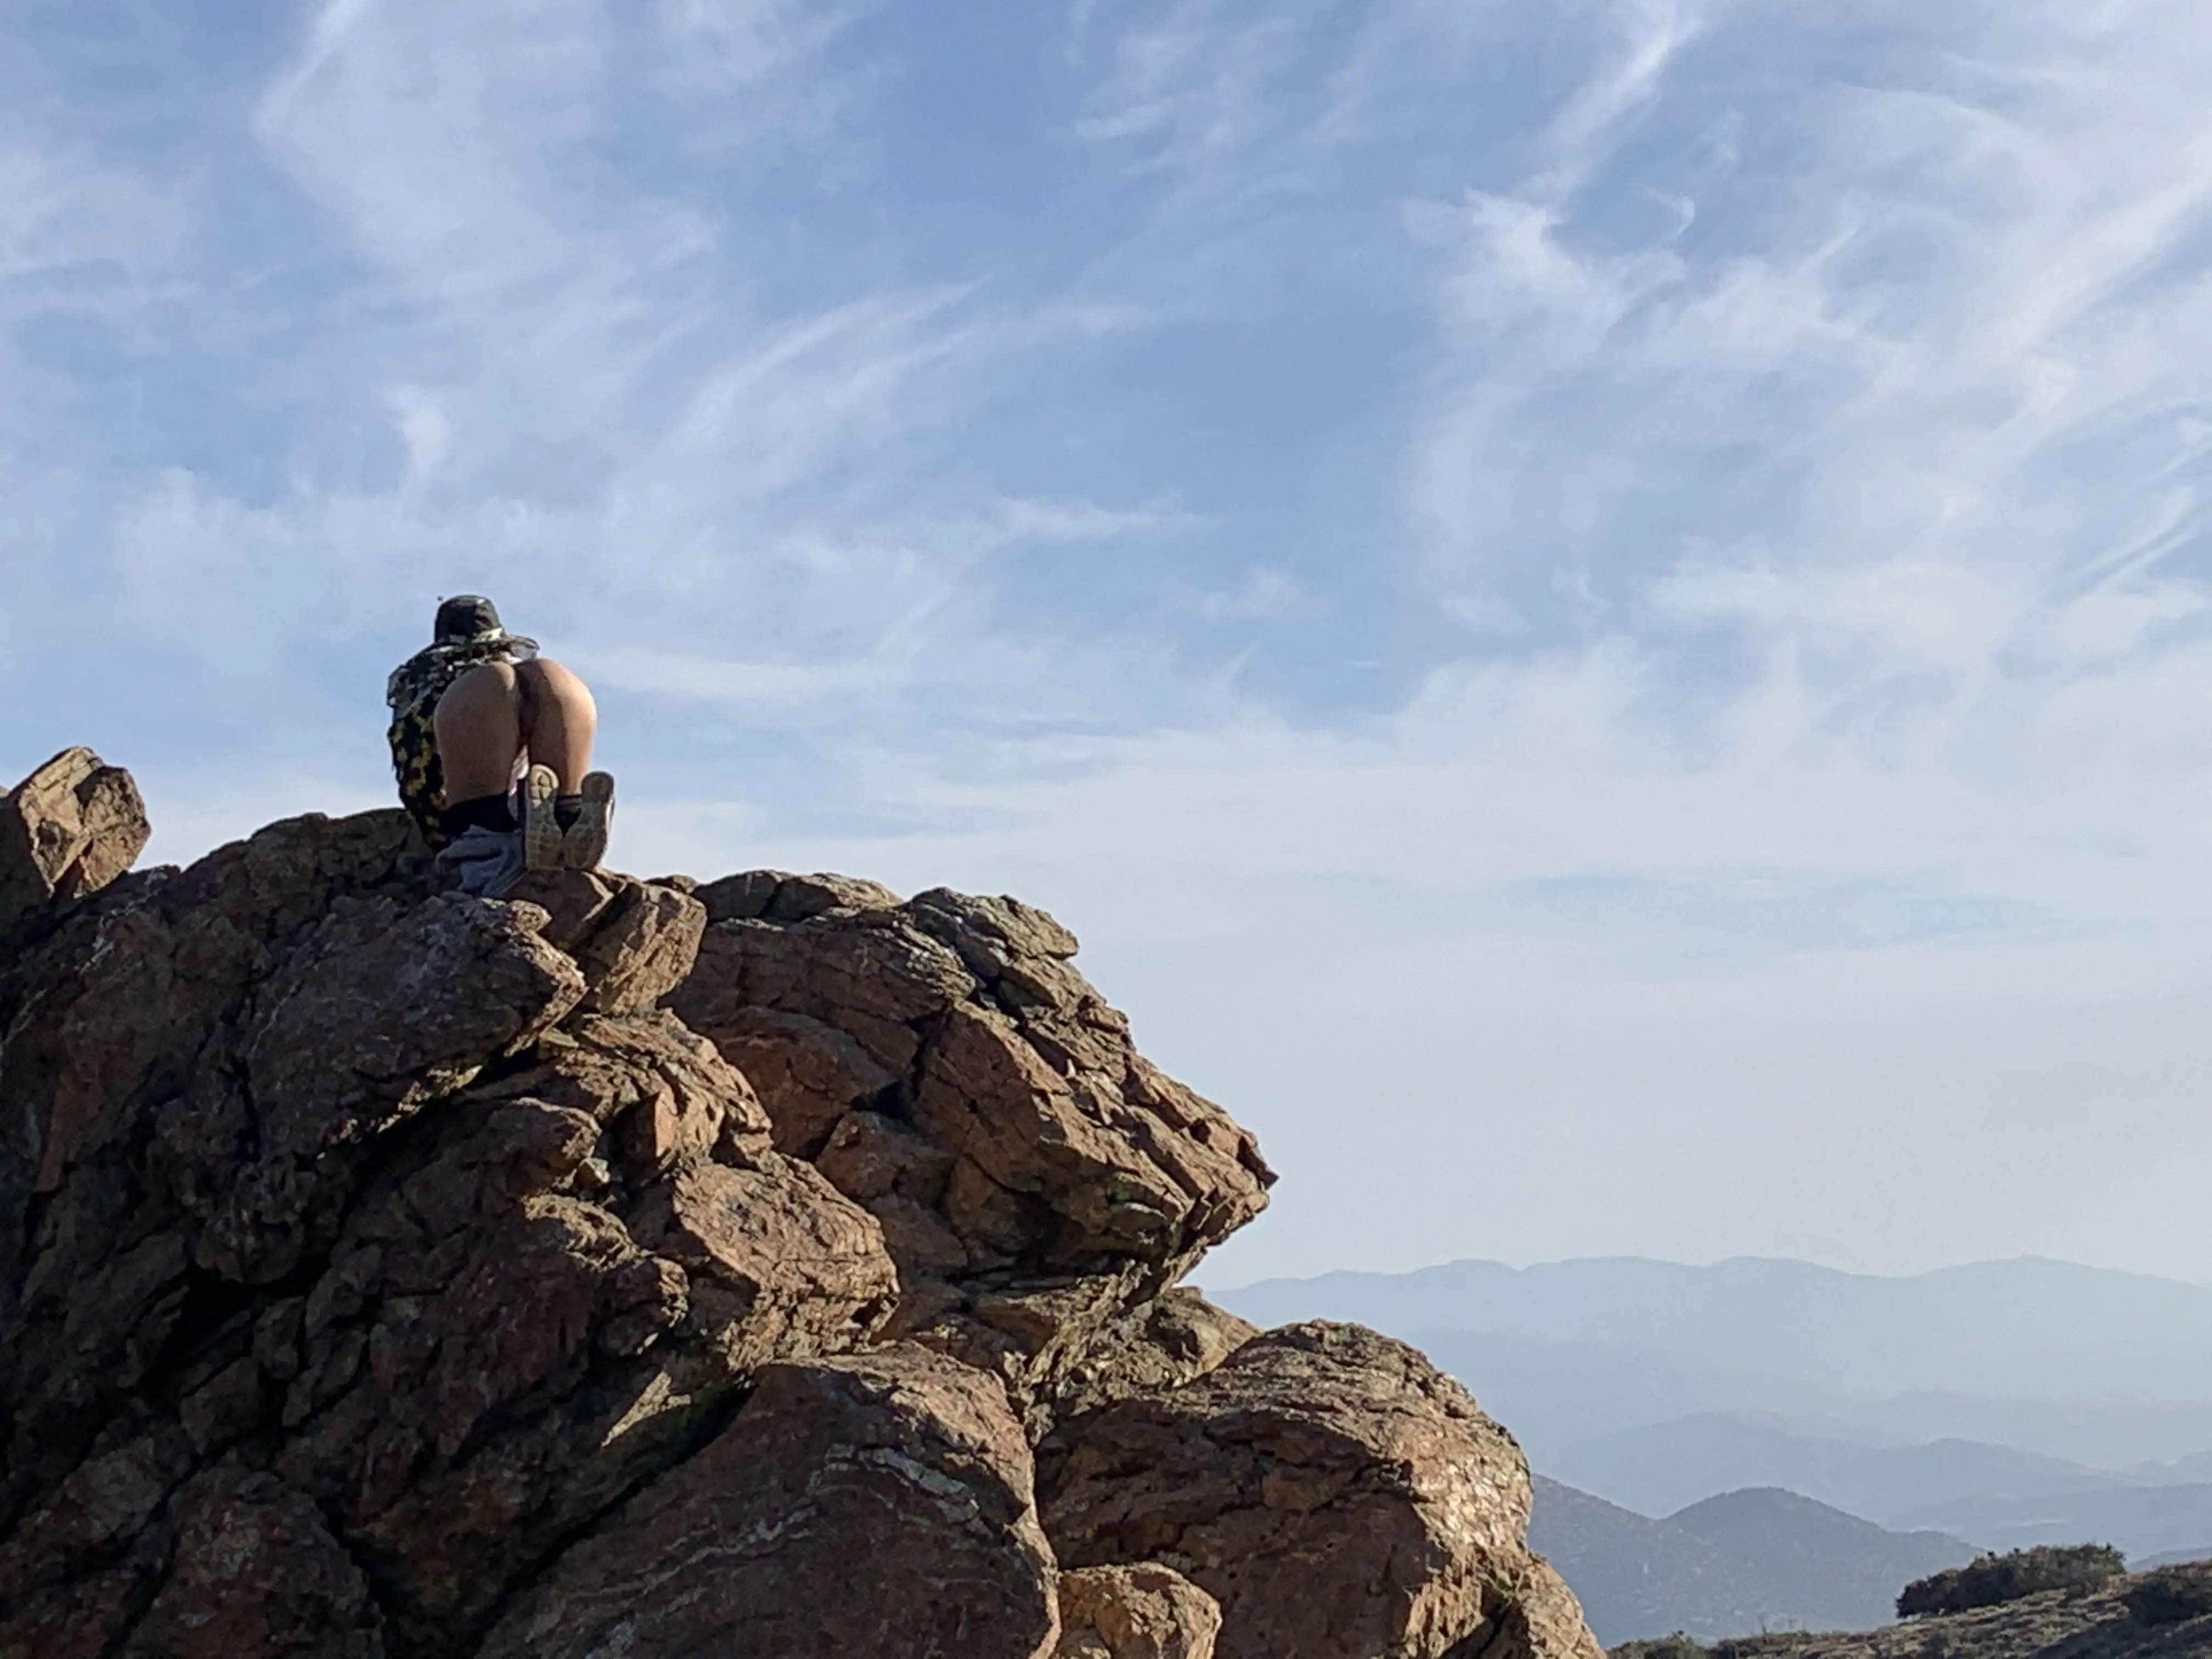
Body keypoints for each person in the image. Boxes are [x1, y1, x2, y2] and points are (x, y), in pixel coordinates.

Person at [386, 595, 615, 896]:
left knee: (494, 684)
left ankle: (487, 840)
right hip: (548, 706)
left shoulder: (425, 685)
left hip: (461, 792)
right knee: (551, 681)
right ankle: (567, 815)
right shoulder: (531, 674)